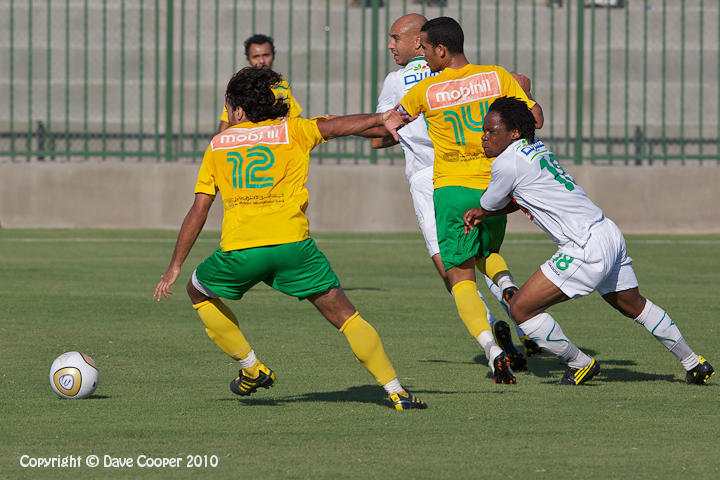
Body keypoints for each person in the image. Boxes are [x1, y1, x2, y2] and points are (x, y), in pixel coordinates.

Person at [154, 67, 427, 410]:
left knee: (198, 291)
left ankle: (251, 367)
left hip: (241, 251)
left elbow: (198, 210)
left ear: (239, 110)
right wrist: (382, 116)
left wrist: (175, 265)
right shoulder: (293, 130)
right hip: (294, 248)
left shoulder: (218, 144)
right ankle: (397, 391)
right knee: (347, 317)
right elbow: (337, 125)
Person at [463, 96, 714, 385]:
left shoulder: (507, 163)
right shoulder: (534, 148)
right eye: (484, 130)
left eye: (491, 131)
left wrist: (481, 211)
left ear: (514, 132)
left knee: (521, 309)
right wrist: (487, 211)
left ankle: (579, 362)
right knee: (634, 305)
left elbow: (493, 202)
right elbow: (523, 196)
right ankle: (694, 362)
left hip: (583, 246)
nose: (484, 137)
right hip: (607, 232)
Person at [372, 13, 541, 372]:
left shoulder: (420, 88)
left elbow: (385, 128)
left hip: (444, 186)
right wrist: (526, 92)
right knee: (488, 251)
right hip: (493, 185)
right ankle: (509, 289)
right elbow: (535, 119)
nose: (422, 55)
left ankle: (492, 350)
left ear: (438, 49)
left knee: (456, 273)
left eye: (426, 49)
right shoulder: (497, 76)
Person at [217, 34, 302, 133]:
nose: (261, 61)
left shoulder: (281, 83)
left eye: (266, 55)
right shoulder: (242, 86)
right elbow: (224, 127)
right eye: (256, 56)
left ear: (273, 55)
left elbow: (296, 117)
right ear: (248, 59)